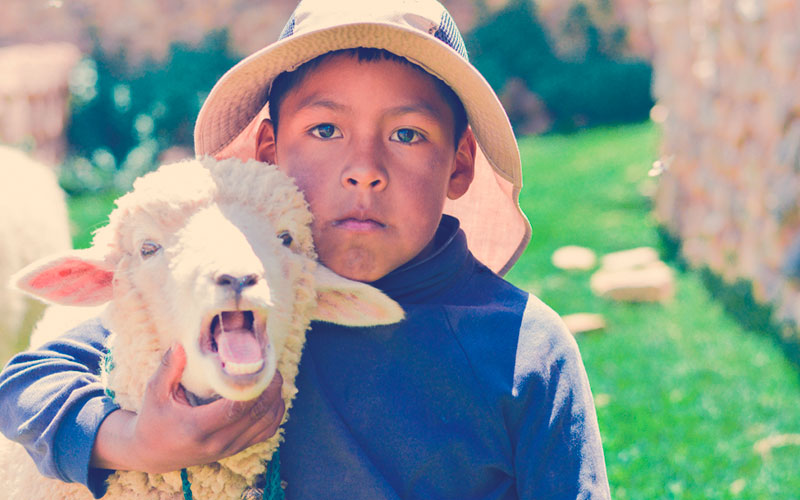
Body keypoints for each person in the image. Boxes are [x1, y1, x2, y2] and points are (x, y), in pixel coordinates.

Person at [0, 0, 610, 498]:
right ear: (269, 150)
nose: (364, 170)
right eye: (325, 130)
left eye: (407, 133)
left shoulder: (525, 348)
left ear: (459, 163)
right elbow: (24, 382)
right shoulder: (242, 291)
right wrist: (135, 442)